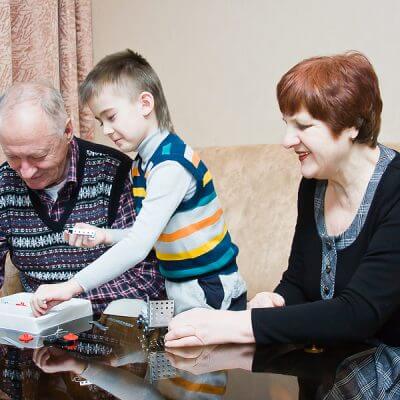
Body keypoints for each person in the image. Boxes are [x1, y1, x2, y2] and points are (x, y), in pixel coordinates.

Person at [163, 51, 400, 347]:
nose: (287, 140)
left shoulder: (395, 190)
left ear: (352, 125)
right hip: (325, 372)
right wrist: (277, 299)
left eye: (303, 126)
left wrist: (235, 324)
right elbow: (299, 281)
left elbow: (358, 314)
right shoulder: (314, 184)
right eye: (287, 124)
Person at [30, 49, 247, 316]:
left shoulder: (171, 165)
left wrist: (71, 286)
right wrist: (105, 236)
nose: (106, 130)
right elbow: (147, 232)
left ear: (145, 104)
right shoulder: (142, 164)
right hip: (181, 285)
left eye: (111, 117)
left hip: (208, 286)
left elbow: (138, 246)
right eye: (101, 121)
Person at [0, 82, 164, 314]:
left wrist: (70, 298)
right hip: (38, 332)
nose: (25, 171)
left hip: (109, 328)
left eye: (38, 156)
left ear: (67, 131)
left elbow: (148, 279)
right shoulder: (4, 183)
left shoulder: (114, 173)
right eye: (13, 157)